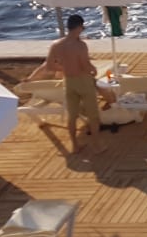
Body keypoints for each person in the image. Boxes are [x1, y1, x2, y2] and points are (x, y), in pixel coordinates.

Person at [30, 13, 102, 154]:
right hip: (83, 81)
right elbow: (85, 65)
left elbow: (49, 66)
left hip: (69, 81)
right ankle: (97, 146)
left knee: (72, 116)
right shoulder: (80, 45)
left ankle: (75, 145)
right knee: (93, 115)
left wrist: (64, 68)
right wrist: (94, 70)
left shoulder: (56, 45)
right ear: (79, 27)